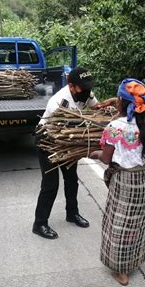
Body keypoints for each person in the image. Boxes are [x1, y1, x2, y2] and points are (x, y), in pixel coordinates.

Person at [89, 78, 145, 286]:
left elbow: (106, 158)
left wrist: (95, 153)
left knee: (120, 224)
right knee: (141, 221)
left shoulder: (115, 127)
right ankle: (139, 256)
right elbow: (133, 114)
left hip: (127, 182)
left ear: (121, 102)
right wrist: (118, 102)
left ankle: (121, 270)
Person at [33, 67, 108, 239]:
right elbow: (63, 130)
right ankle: (39, 224)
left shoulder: (85, 92)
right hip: (48, 140)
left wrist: (105, 109)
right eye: (83, 87)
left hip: (68, 140)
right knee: (50, 184)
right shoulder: (58, 102)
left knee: (72, 179)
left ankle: (72, 213)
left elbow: (95, 106)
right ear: (71, 86)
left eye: (88, 86)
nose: (87, 90)